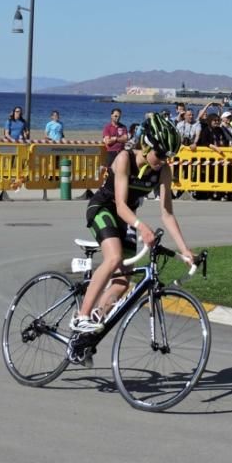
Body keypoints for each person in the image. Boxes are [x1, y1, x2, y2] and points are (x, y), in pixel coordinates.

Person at [71, 114, 193, 339]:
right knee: (114, 258)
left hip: (128, 218)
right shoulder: (124, 159)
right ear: (146, 145)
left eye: (169, 156)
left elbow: (167, 213)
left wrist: (185, 250)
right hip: (104, 209)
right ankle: (82, 316)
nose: (164, 160)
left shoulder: (163, 171)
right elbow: (119, 205)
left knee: (122, 282)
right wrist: (142, 227)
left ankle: (87, 337)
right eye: (160, 154)